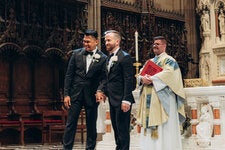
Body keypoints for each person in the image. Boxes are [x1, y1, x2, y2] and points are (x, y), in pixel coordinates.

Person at [136, 36, 186, 150]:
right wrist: (141, 79)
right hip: (150, 98)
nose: (155, 46)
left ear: (164, 46)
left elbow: (170, 74)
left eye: (158, 44)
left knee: (165, 128)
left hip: (164, 100)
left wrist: (152, 79)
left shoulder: (170, 60)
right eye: (154, 44)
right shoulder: (150, 62)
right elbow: (140, 74)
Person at [63, 29, 107, 150]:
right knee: (70, 124)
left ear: (96, 41)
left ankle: (90, 148)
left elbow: (104, 78)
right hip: (75, 95)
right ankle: (67, 148)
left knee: (91, 125)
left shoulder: (103, 58)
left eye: (88, 41)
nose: (85, 44)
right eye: (84, 41)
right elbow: (69, 75)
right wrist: (66, 94)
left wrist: (100, 90)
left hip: (91, 96)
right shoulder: (76, 54)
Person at [98, 30, 135, 150]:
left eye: (109, 40)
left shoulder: (125, 57)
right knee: (117, 130)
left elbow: (129, 80)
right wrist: (101, 90)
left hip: (121, 100)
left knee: (123, 131)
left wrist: (127, 100)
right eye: (105, 40)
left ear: (117, 41)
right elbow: (106, 78)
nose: (106, 43)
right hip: (112, 99)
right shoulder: (108, 58)